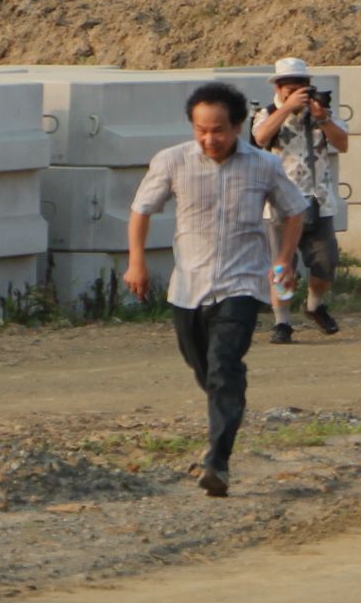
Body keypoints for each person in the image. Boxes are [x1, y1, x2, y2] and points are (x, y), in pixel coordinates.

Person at [126, 82, 310, 499]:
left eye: (219, 130)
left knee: (224, 363)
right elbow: (140, 210)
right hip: (188, 287)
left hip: (242, 283)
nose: (210, 139)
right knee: (206, 369)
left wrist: (284, 258)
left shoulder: (263, 165)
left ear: (239, 125)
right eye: (201, 130)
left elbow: (294, 211)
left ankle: (217, 462)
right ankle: (229, 406)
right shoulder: (172, 161)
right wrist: (136, 261)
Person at [251, 57, 349, 340]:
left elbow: (342, 144)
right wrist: (286, 110)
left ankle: (314, 305)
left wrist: (323, 118)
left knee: (325, 262)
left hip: (317, 199)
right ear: (279, 88)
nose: (295, 93)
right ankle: (282, 322)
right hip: (279, 202)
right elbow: (260, 138)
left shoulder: (321, 112)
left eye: (301, 87)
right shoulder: (267, 113)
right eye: (289, 88)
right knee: (282, 266)